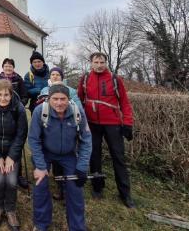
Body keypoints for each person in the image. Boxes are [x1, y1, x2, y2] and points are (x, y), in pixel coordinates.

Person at [29, 84, 92, 231]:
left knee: (76, 189)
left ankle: (77, 226)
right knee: (40, 185)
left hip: (68, 154)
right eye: (55, 99)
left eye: (62, 99)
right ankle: (41, 224)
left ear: (69, 99)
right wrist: (40, 166)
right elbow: (33, 140)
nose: (59, 103)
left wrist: (82, 167)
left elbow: (86, 140)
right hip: (46, 152)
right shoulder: (40, 111)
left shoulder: (77, 112)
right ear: (49, 99)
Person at [77, 52, 135, 208]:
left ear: (106, 62)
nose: (99, 65)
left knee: (118, 157)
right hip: (92, 124)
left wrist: (128, 123)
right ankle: (97, 186)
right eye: (96, 62)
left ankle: (125, 193)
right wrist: (78, 122)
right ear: (91, 63)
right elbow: (78, 100)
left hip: (113, 124)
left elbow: (125, 102)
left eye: (102, 62)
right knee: (94, 155)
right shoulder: (85, 79)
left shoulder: (115, 80)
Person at [0, 79, 28, 230]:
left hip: (12, 149)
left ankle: (10, 210)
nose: (3, 98)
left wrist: (11, 157)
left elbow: (21, 135)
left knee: (12, 181)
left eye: (6, 95)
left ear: (11, 94)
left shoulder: (18, 108)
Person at [40, 67, 84, 201]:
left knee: (63, 160)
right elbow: (40, 108)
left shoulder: (71, 90)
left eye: (57, 75)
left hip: (66, 127)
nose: (55, 77)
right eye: (52, 74)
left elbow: (79, 109)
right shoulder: (44, 90)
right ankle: (53, 184)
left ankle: (64, 189)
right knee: (50, 158)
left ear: (62, 77)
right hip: (48, 128)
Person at [0, 58, 29, 188]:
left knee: (16, 145)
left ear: (13, 67)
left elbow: (25, 95)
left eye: (10, 66)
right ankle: (0, 172)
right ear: (3, 67)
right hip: (0, 115)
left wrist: (19, 106)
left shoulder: (19, 79)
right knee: (1, 144)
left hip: (15, 114)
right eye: (6, 66)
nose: (8, 68)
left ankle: (18, 174)